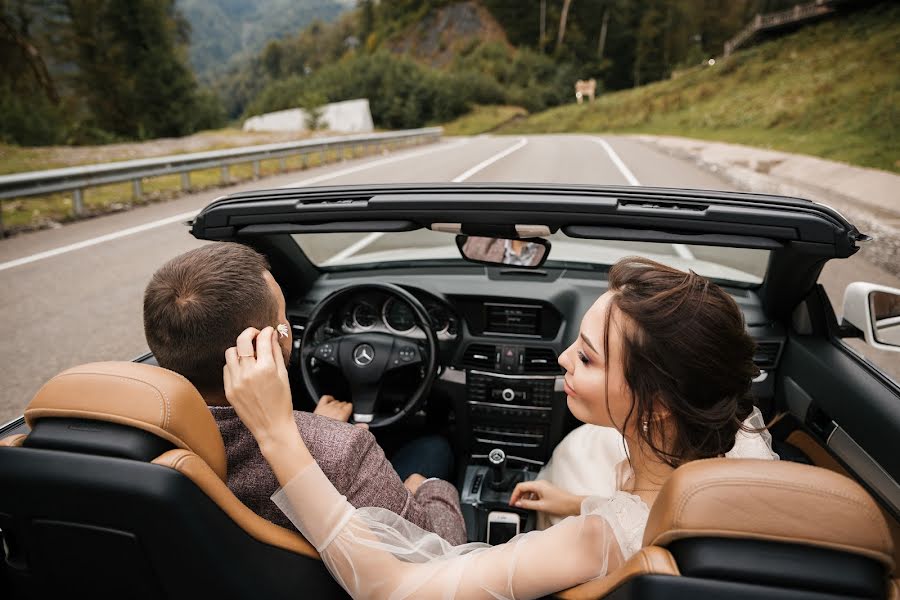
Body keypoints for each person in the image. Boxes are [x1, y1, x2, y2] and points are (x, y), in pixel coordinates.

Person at [223, 257, 777, 599]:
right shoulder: (745, 440)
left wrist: (277, 432)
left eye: (585, 358)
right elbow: (656, 514)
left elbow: (391, 588)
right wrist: (581, 500)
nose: (559, 359)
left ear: (655, 407)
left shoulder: (593, 543)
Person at [142, 242, 465, 545]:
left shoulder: (141, 432)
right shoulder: (342, 450)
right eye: (283, 321)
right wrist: (428, 488)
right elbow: (436, 554)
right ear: (260, 346)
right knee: (433, 450)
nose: (289, 329)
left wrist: (309, 426)